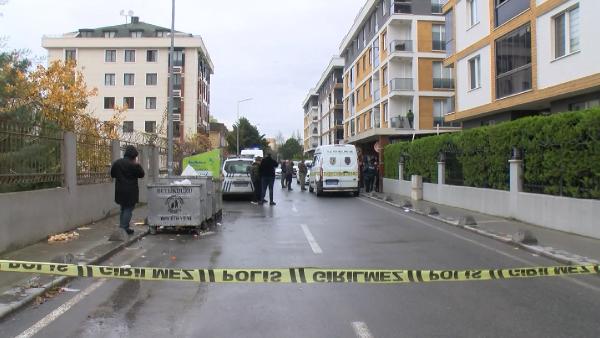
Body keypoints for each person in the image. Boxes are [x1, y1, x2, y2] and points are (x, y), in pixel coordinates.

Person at [110, 145, 145, 235]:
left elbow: (112, 174)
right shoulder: (133, 165)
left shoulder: (117, 163)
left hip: (120, 190)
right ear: (133, 156)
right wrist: (137, 165)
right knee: (128, 209)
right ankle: (123, 228)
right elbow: (141, 174)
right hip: (130, 191)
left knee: (123, 208)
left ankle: (124, 227)